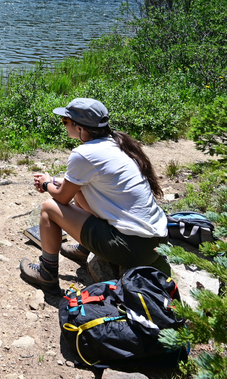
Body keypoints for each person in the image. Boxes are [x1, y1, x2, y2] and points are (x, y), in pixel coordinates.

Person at [19, 98, 170, 290]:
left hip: (133, 248)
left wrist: (46, 184)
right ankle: (84, 250)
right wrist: (54, 182)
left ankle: (46, 273)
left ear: (80, 127)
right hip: (155, 241)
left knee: (49, 208)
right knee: (81, 193)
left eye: (66, 121)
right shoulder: (117, 143)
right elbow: (78, 185)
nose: (64, 126)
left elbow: (62, 197)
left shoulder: (84, 154)